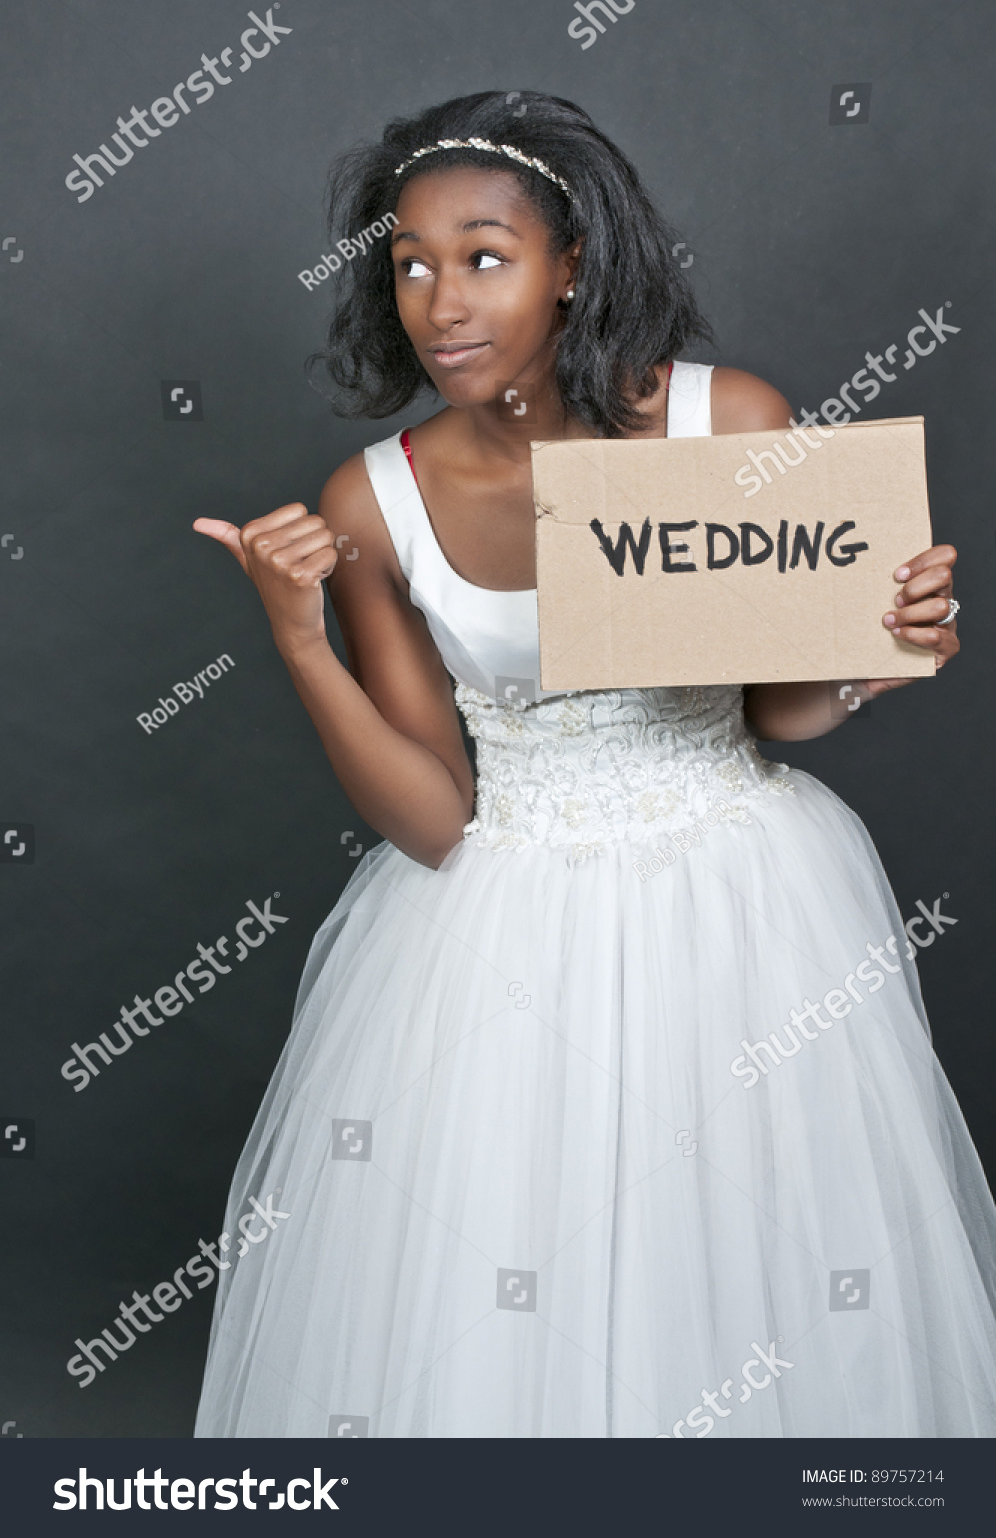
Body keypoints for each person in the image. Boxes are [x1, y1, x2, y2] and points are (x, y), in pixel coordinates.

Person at [191, 91, 996, 1438]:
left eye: (486, 256)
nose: (441, 300)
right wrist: (299, 638)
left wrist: (881, 643)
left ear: (573, 268)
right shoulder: (370, 502)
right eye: (411, 264)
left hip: (741, 899)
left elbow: (780, 713)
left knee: (745, 1265)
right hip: (504, 926)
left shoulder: (726, 424)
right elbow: (438, 821)